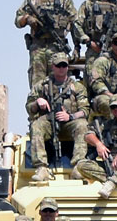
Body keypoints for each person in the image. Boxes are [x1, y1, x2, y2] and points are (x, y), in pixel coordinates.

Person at [26, 52, 89, 184]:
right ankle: (42, 167)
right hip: (49, 121)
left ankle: (78, 166)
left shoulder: (77, 87)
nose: (62, 68)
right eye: (58, 65)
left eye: (64, 65)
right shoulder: (41, 86)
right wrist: (38, 103)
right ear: (53, 67)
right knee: (36, 125)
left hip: (69, 124)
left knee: (82, 125)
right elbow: (28, 108)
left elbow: (85, 111)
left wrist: (70, 116)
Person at [14, 0, 76, 89]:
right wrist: (27, 19)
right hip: (38, 48)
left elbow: (75, 23)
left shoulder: (65, 0)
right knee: (37, 87)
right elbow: (17, 21)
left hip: (57, 48)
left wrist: (77, 48)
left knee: (60, 86)